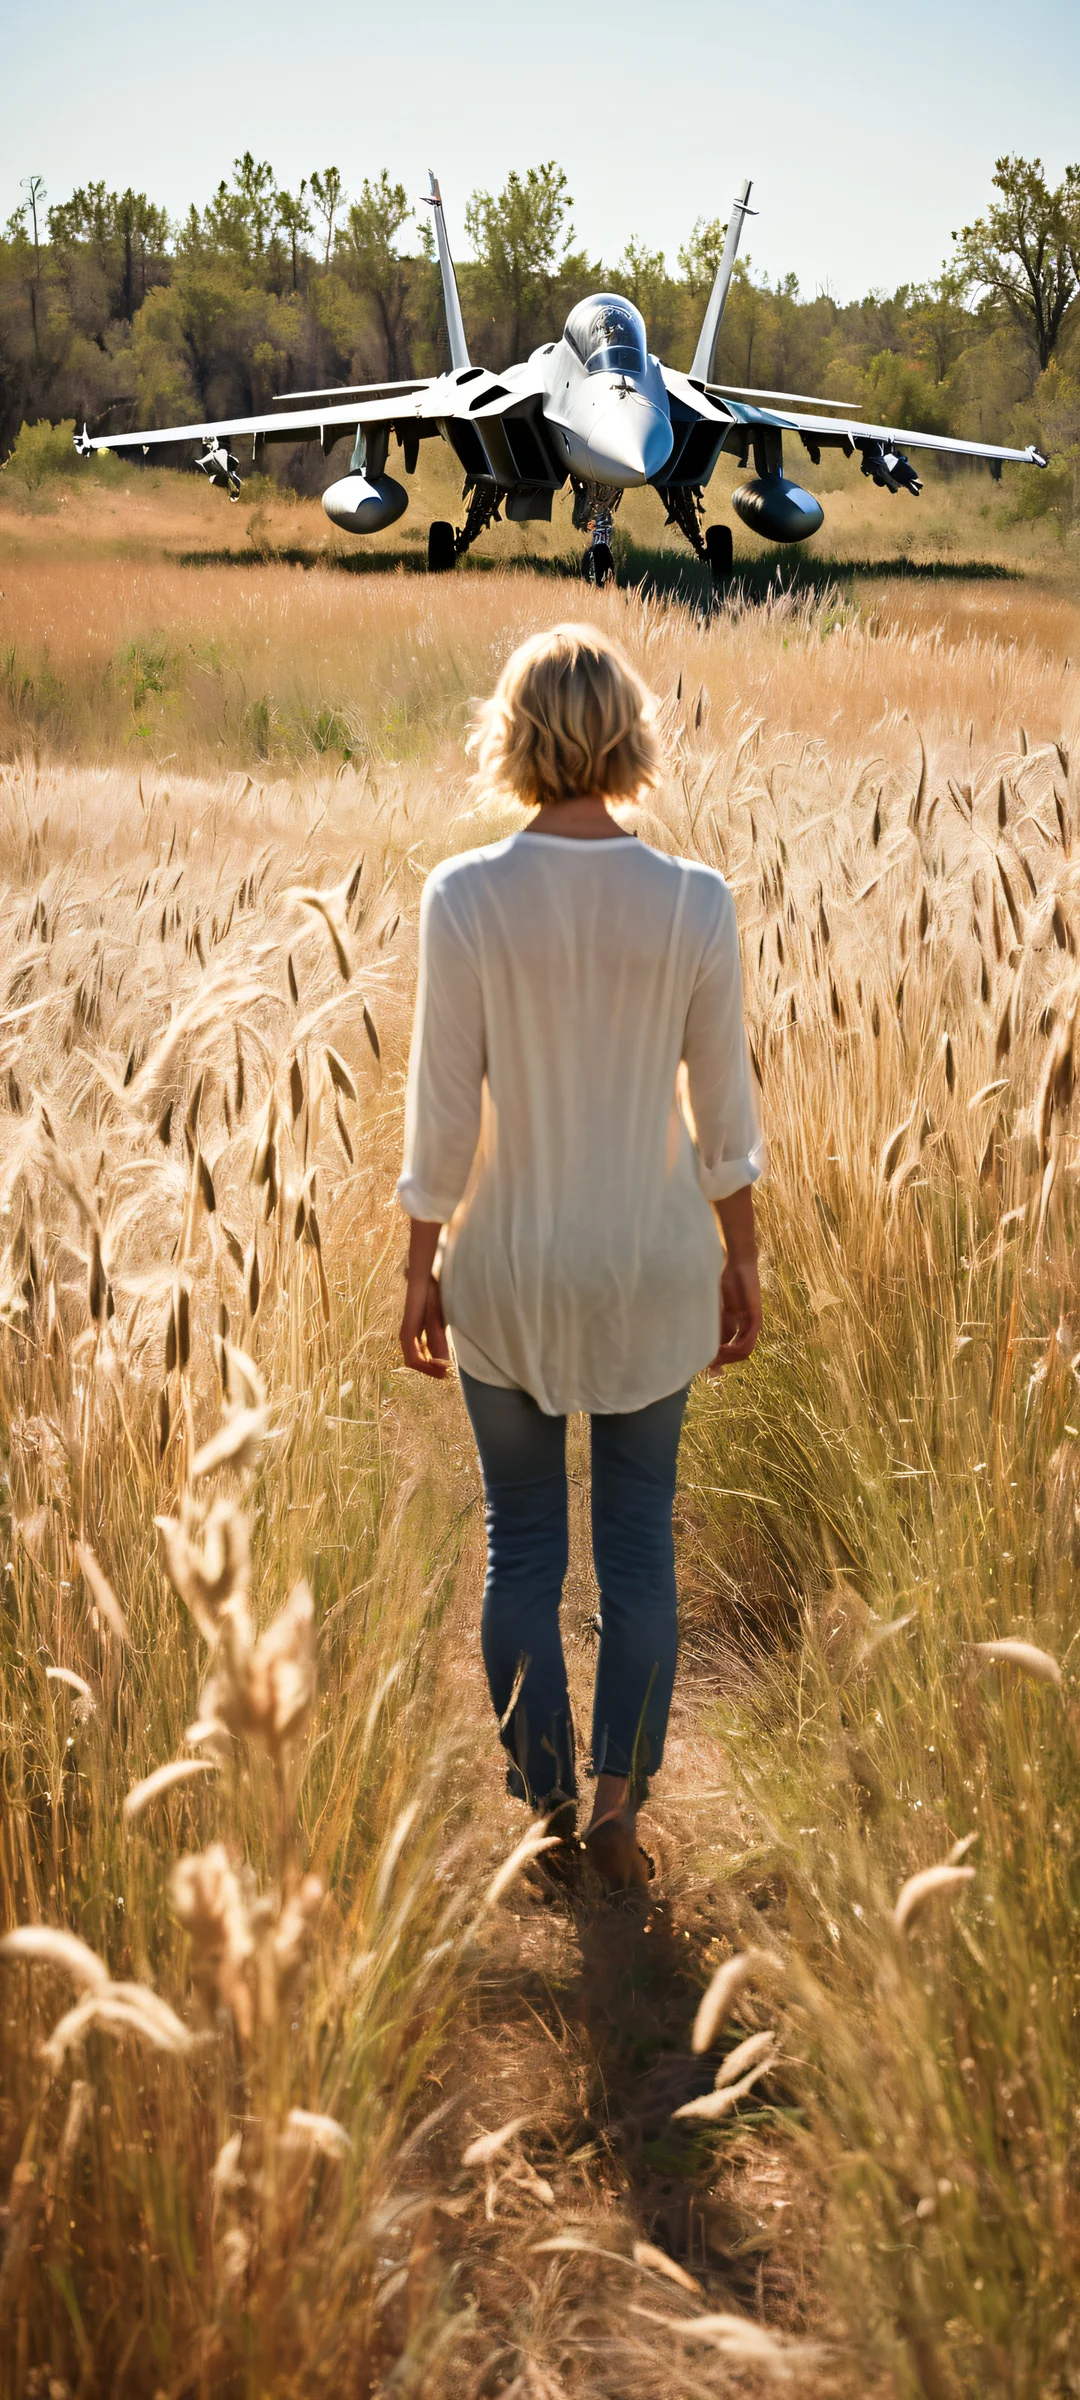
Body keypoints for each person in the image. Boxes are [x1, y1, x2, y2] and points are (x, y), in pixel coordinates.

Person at [397, 624, 763, 1889]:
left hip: (505, 1262)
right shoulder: (695, 901)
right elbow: (724, 1119)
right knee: (640, 1550)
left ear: (513, 736)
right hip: (652, 1263)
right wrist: (742, 1259)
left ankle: (545, 1799)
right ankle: (618, 1809)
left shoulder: (464, 898)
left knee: (521, 1547)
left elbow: (443, 1115)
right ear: (630, 736)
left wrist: (419, 1263)